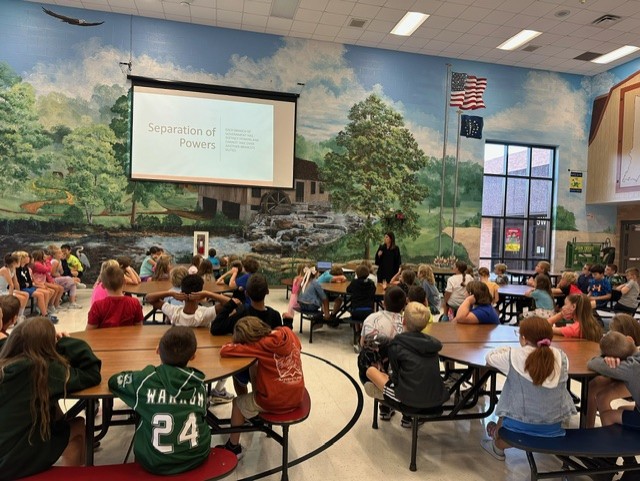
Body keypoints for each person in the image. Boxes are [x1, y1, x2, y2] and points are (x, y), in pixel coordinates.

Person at [0, 317, 102, 480]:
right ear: (48, 346)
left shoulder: (4, 366)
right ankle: (72, 476)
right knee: (78, 426)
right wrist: (64, 343)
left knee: (53, 411)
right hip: (12, 462)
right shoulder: (43, 371)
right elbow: (91, 374)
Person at [108, 326, 210, 474]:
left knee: (143, 414)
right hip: (197, 457)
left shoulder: (146, 380)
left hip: (154, 463)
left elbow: (114, 381)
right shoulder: (198, 384)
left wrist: (141, 374)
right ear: (193, 356)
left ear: (157, 350)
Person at [481, 316, 576, 461]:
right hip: (553, 427)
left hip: (518, 426)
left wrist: (507, 348)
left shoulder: (514, 355)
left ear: (524, 339)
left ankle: (498, 444)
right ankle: (498, 433)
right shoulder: (562, 357)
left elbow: (489, 357)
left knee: (511, 389)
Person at [218, 316, 304, 459]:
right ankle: (256, 416)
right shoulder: (287, 333)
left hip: (276, 401)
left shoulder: (259, 345)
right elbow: (299, 347)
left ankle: (233, 447)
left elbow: (225, 350)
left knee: (237, 404)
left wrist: (244, 345)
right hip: (296, 394)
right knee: (257, 367)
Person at [364, 302, 448, 429]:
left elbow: (396, 378)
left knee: (371, 371)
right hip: (436, 400)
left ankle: (391, 406)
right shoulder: (433, 345)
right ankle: (403, 414)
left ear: (403, 321)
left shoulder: (396, 345)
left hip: (409, 402)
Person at [359, 286, 406, 421]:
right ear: (404, 304)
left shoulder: (371, 319)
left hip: (373, 373)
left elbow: (363, 344)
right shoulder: (408, 322)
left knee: (373, 357)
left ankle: (384, 406)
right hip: (402, 374)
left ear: (384, 303)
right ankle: (408, 415)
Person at [586, 316, 640, 428]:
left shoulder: (629, 367)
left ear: (629, 338)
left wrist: (605, 358)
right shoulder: (635, 354)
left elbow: (592, 363)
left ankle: (611, 442)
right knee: (620, 408)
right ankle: (588, 428)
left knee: (607, 413)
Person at [145, 274, 230, 328]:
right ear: (201, 296)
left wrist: (171, 293)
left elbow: (148, 298)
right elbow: (232, 303)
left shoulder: (174, 312)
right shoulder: (206, 314)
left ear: (181, 292)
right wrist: (208, 294)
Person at [86, 265, 144, 329]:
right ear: (124, 282)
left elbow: (89, 331)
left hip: (104, 338)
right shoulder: (134, 303)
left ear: (103, 285)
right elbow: (139, 327)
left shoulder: (97, 306)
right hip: (128, 338)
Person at [14, 251, 54, 322]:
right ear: (22, 258)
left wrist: (28, 284)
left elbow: (29, 281)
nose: (28, 258)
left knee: (46, 292)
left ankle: (43, 311)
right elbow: (19, 283)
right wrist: (27, 284)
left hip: (28, 286)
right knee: (40, 294)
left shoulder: (25, 268)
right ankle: (44, 314)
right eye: (26, 257)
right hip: (22, 288)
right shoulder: (17, 269)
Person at [347, 264, 377, 348]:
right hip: (369, 312)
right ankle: (365, 333)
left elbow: (348, 290)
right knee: (364, 311)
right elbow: (374, 291)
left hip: (356, 311)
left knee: (354, 310)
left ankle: (357, 331)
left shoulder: (354, 282)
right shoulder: (371, 283)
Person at [0, 254, 29, 323]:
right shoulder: (4, 270)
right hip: (1, 290)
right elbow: (11, 285)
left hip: (6, 290)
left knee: (26, 295)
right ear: (13, 262)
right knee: (20, 298)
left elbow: (16, 283)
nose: (20, 262)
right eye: (18, 261)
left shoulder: (13, 269)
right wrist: (11, 297)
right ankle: (14, 318)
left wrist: (19, 291)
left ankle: (19, 316)